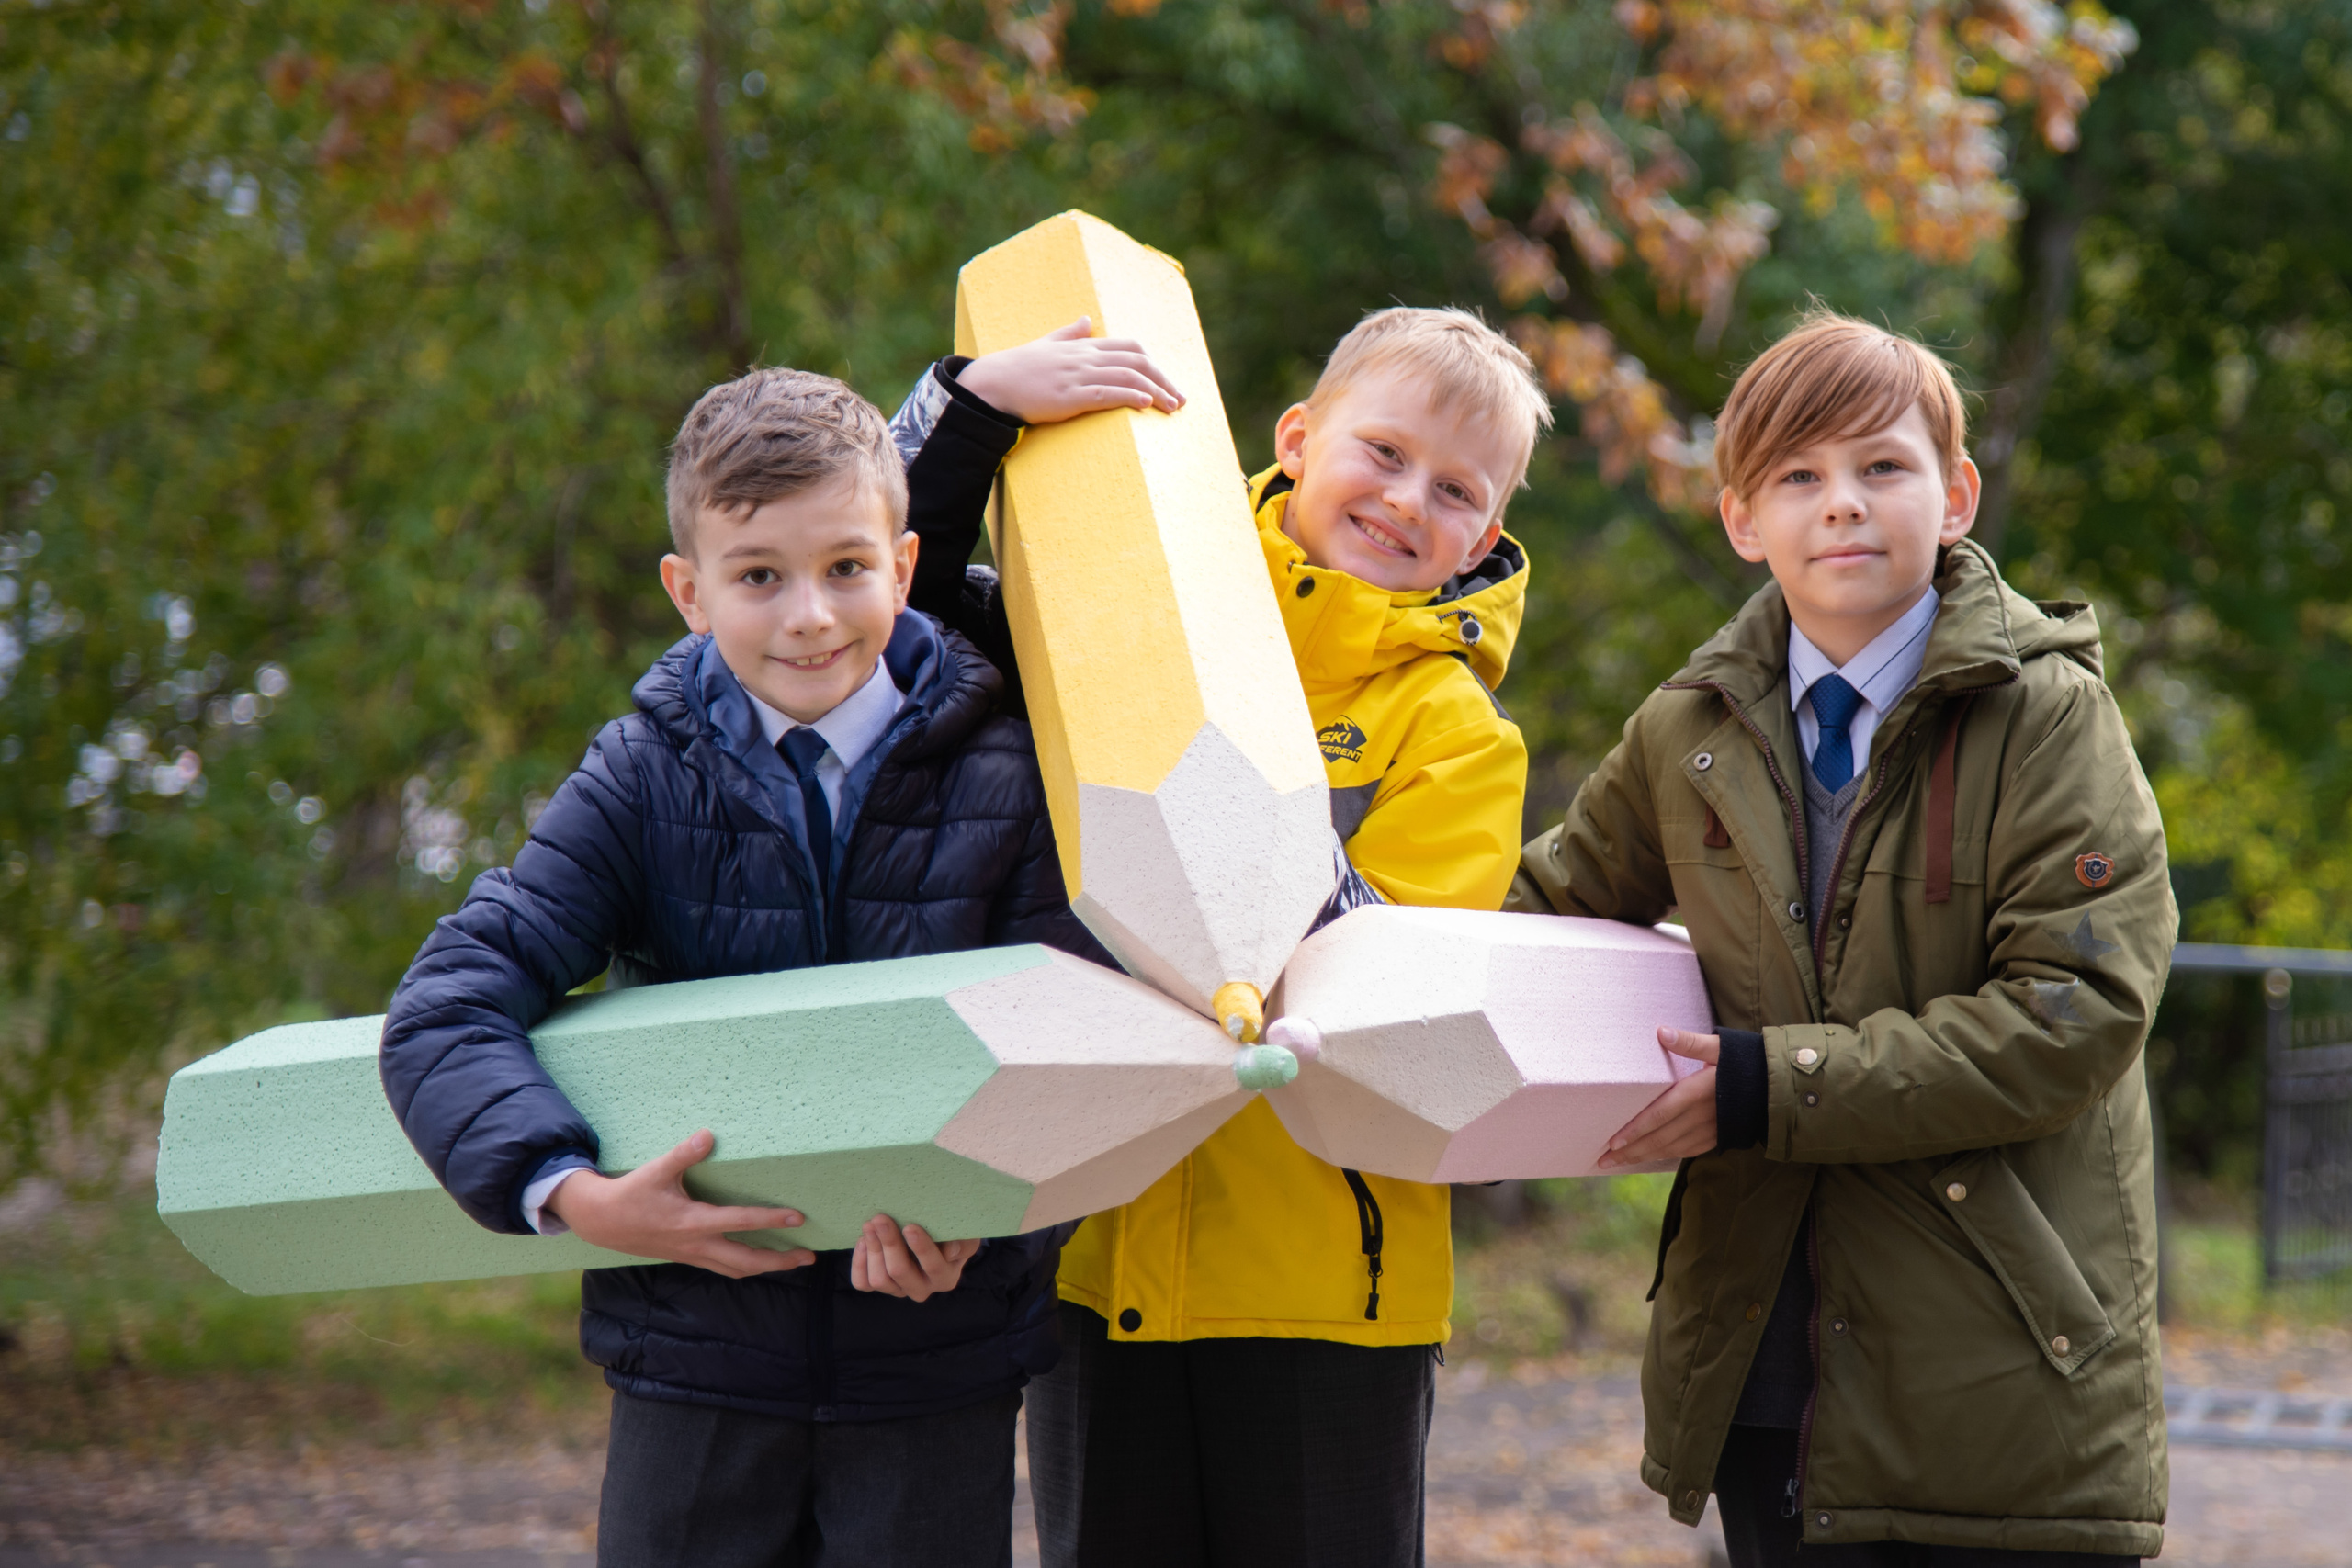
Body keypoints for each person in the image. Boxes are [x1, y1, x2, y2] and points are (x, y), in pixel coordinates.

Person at [378, 360, 1170, 1568]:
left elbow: (1084, 1042)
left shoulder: (1016, 774)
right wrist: (582, 1200)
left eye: (847, 568)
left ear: (903, 569)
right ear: (689, 592)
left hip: (935, 1367)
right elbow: (448, 1006)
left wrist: (982, 1228)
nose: (810, 615)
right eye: (759, 578)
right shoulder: (642, 777)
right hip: (692, 1362)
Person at [889, 306, 1549, 1567]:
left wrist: (1225, 797)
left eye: (1459, 489)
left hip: (1329, 1291)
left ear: (1491, 529)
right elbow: (897, 594)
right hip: (1097, 1245)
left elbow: (1383, 984)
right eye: (1387, 453)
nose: (1412, 500)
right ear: (1300, 438)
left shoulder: (1458, 732)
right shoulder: (1143, 605)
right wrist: (973, 403)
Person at [1513, 310, 2173, 1565]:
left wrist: (1769, 1086)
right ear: (1742, 521)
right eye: (1799, 478)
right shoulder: (1684, 731)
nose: (1844, 506)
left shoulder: (2048, 717)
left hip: (1999, 1375)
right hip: (1767, 1377)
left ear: (1956, 494)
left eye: (1883, 467)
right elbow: (1539, 919)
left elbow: (2071, 1020)